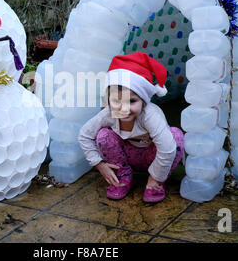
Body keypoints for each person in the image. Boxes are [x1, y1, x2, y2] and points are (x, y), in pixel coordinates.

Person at [78, 52, 185, 202]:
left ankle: (156, 184)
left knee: (176, 137)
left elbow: (167, 149)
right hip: (127, 157)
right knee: (103, 135)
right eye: (117, 101)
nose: (124, 108)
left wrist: (155, 178)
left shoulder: (150, 115)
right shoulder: (108, 114)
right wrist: (99, 164)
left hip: (153, 157)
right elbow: (84, 135)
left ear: (144, 101)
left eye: (132, 101)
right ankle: (124, 176)